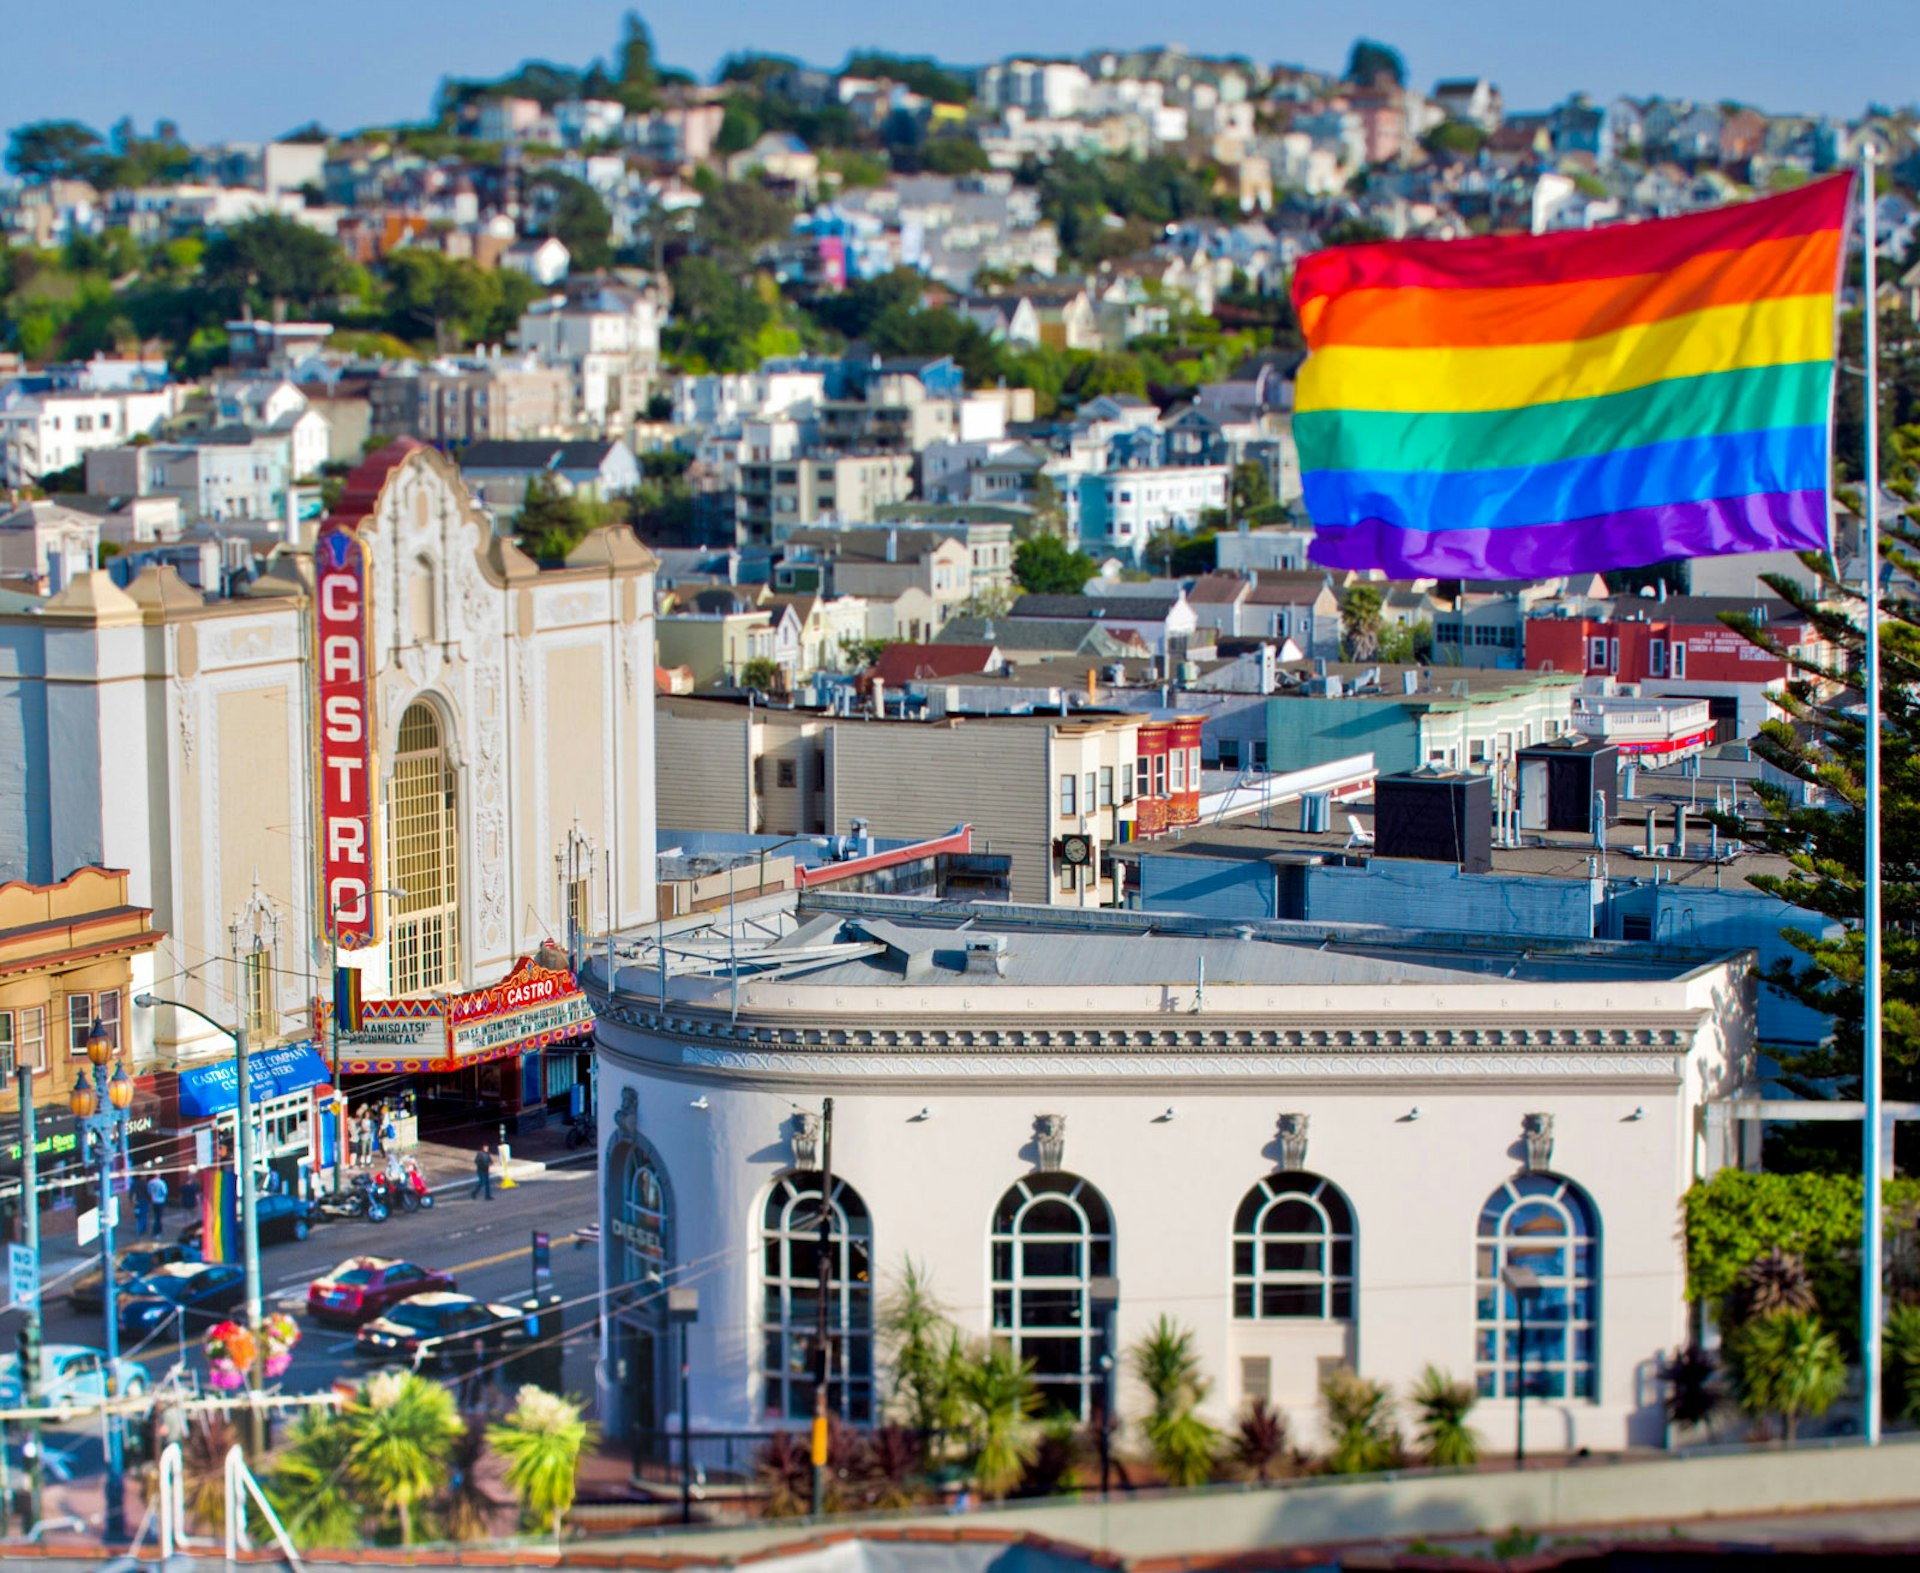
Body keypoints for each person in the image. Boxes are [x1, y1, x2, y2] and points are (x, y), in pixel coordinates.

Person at [146, 1167, 168, 1238]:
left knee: (156, 1216)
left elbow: (148, 1191)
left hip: (154, 1200)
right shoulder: (162, 1183)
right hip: (160, 1201)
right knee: (159, 1217)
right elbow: (165, 1192)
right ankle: (157, 1232)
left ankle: (158, 1230)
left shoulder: (150, 1182)